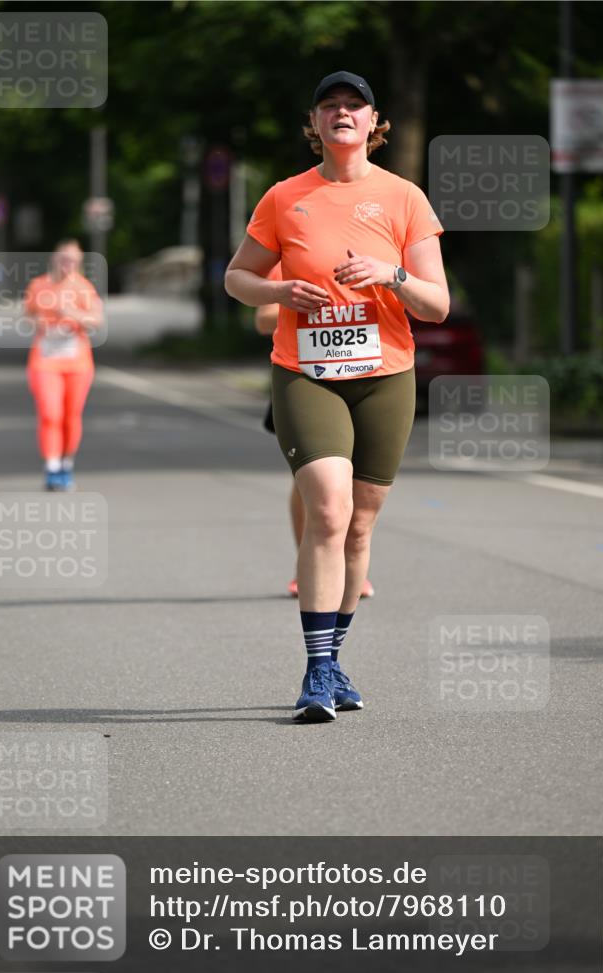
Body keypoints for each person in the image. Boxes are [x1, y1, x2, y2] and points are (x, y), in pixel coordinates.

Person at [225, 71, 448, 722]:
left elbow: (436, 304)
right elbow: (238, 277)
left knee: (358, 525)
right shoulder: (283, 198)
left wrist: (393, 273)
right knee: (326, 509)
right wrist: (277, 293)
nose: (341, 114)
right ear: (315, 123)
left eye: (353, 105)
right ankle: (317, 671)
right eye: (329, 106)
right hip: (306, 371)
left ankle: (336, 656)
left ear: (373, 122)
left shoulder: (402, 197)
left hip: (385, 375)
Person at [255, 269, 375, 599]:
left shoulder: (370, 251)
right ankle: (308, 561)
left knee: (359, 478)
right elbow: (263, 318)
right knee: (311, 478)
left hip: (367, 376)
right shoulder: (294, 249)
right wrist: (308, 305)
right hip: (305, 376)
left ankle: (348, 562)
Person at [24, 239, 103, 491]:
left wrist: (71, 313)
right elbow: (29, 315)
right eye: (63, 258)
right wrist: (41, 321)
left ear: (79, 263)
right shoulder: (38, 285)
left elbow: (96, 321)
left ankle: (66, 463)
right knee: (50, 414)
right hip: (45, 360)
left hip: (77, 362)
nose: (68, 264)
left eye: (73, 260)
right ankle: (52, 466)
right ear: (54, 259)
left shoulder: (84, 287)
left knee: (70, 416)